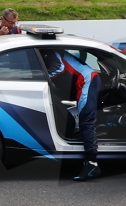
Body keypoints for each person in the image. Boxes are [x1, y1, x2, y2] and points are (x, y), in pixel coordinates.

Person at [41, 48, 102, 182]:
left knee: (86, 122)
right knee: (86, 120)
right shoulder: (44, 51)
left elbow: (58, 68)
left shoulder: (50, 50)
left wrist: (40, 79)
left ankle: (91, 164)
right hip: (81, 81)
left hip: (87, 81)